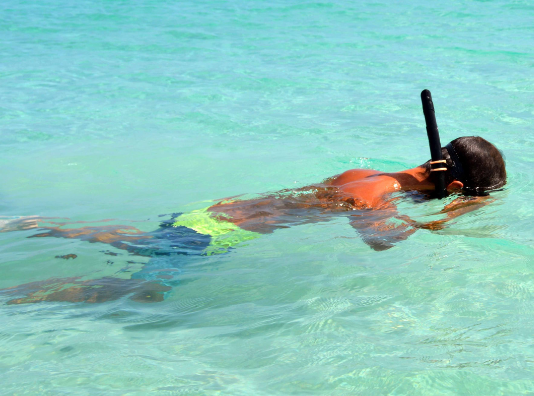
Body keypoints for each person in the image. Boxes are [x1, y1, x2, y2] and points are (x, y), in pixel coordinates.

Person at [1, 136, 505, 304]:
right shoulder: (378, 199)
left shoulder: (364, 172)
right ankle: (21, 296)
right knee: (139, 294)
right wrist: (451, 221)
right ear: (455, 188)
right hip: (218, 235)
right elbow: (381, 243)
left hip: (208, 213)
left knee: (138, 241)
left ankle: (30, 223)